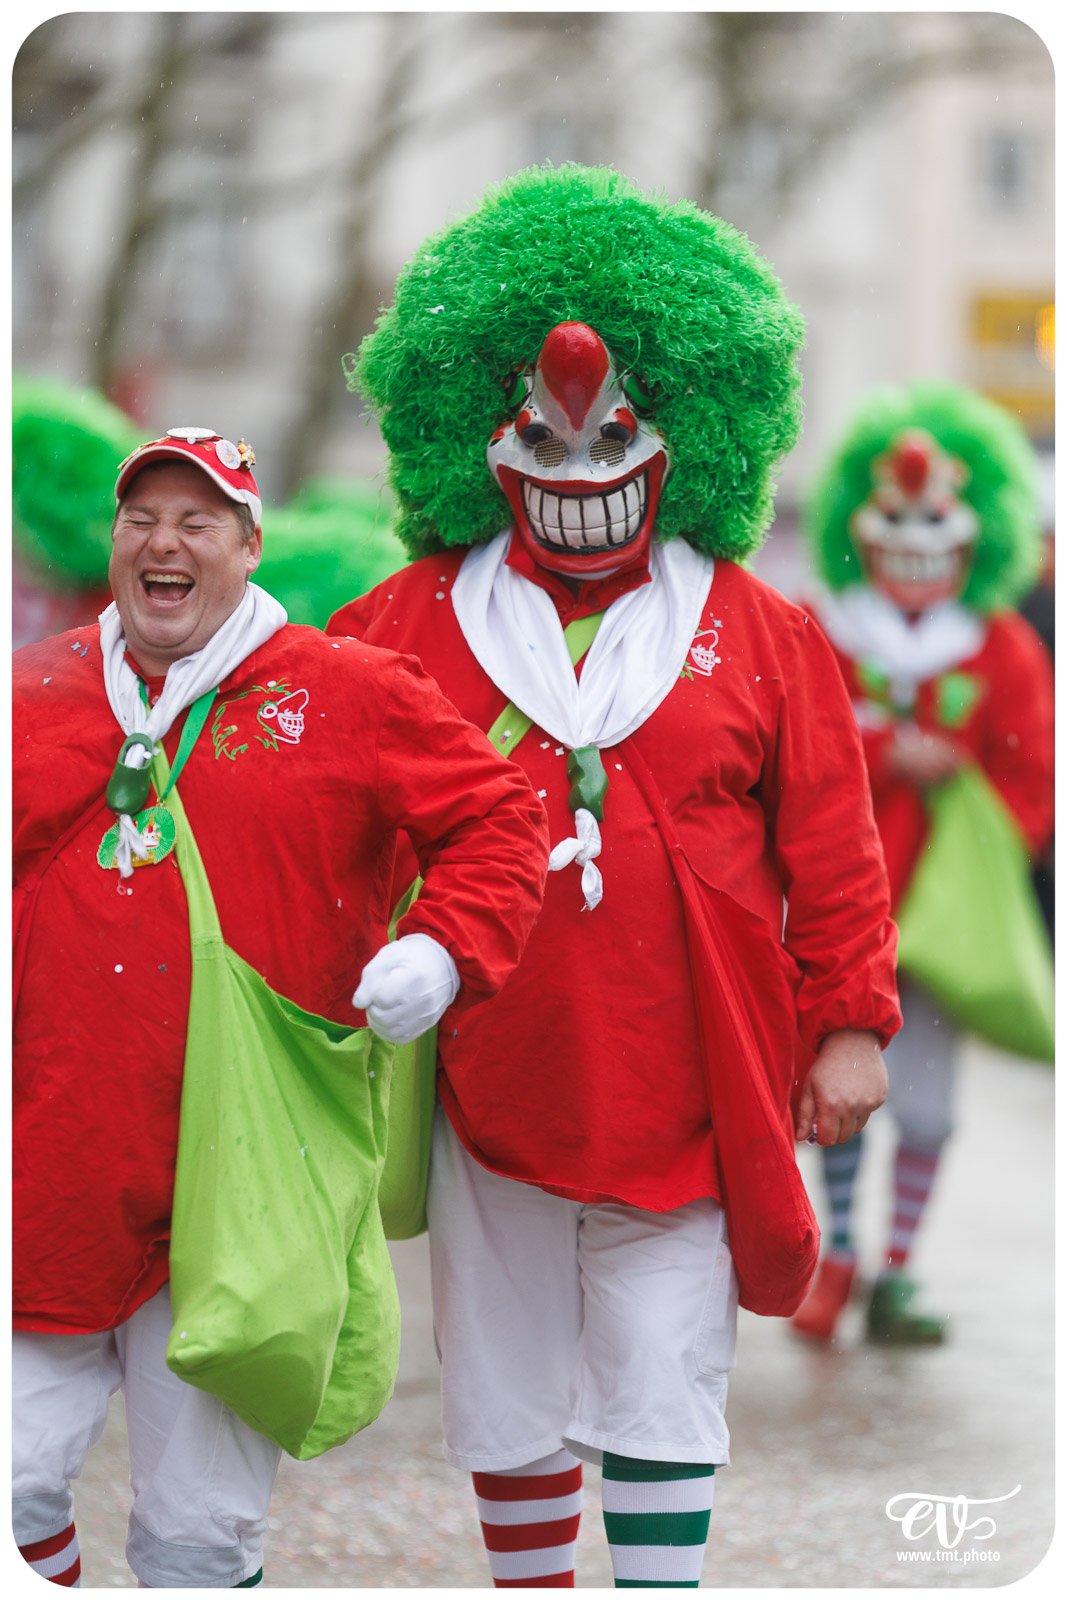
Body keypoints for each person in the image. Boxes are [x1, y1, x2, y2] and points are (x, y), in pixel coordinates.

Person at [328, 165, 901, 1589]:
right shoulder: (402, 624)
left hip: (693, 1068)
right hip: (484, 1071)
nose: (580, 471)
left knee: (663, 1375)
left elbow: (831, 844)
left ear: (680, 436)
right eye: (541, 435)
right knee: (504, 1377)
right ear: (482, 436)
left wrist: (845, 1024)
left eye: (614, 435)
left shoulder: (761, 631)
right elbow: (310, 807)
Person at [12, 427, 550, 1588]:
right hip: (48, 1169)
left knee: (197, 1539)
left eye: (198, 521)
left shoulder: (348, 691)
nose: (164, 542)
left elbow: (499, 820)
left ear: (248, 547)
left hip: (245, 1191)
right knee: (13, 1493)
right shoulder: (35, 690)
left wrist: (445, 948)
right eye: (141, 519)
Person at [792, 382, 1054, 1345]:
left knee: (932, 1112)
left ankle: (894, 1269)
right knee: (835, 1098)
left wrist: (969, 801)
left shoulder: (1005, 649)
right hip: (829, 917)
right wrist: (875, 752)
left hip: (936, 931)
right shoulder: (812, 629)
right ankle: (843, 1255)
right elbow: (775, 755)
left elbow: (1033, 785)